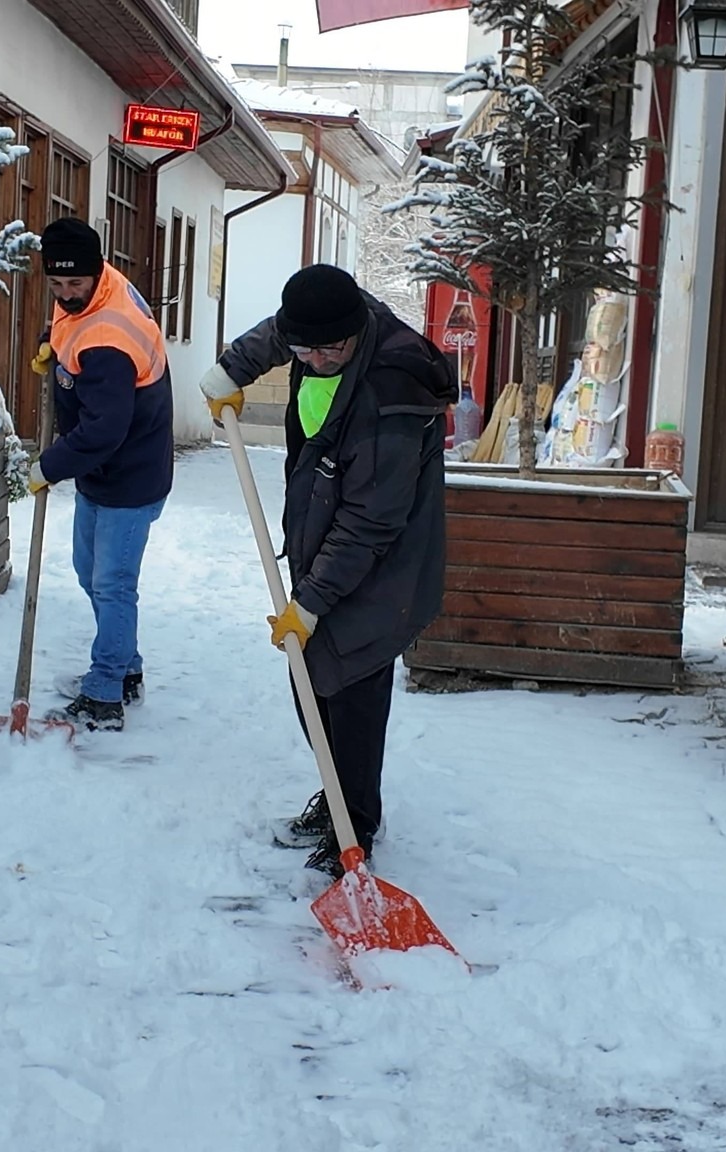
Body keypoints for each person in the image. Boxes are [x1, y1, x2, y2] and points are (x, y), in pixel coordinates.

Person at [199, 264, 454, 876]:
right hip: (328, 537)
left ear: (354, 334)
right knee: (310, 674)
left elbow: (371, 521)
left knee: (353, 682)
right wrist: (233, 369)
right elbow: (280, 331)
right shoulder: (333, 319)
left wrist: (311, 602)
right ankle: (339, 799)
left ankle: (355, 828)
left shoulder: (391, 395)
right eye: (302, 349)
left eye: (326, 349)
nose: (312, 359)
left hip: (385, 562)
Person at [25, 218, 174, 732]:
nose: (66, 295)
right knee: (90, 572)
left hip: (127, 477)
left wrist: (48, 466)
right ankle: (125, 664)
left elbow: (103, 432)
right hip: (104, 473)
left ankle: (106, 690)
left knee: (111, 584)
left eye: (75, 286)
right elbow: (73, 323)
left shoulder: (108, 340)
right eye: (57, 285)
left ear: (95, 276)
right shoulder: (97, 287)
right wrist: (55, 344)